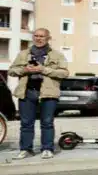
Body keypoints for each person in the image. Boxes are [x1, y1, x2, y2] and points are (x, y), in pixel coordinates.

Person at [8, 28, 69, 160]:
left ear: (48, 38)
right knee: (26, 123)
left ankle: (47, 149)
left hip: (48, 93)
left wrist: (43, 69)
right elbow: (11, 71)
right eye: (36, 36)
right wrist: (24, 69)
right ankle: (25, 149)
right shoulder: (24, 54)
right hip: (27, 92)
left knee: (47, 122)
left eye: (42, 36)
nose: (38, 38)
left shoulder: (57, 55)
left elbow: (64, 73)